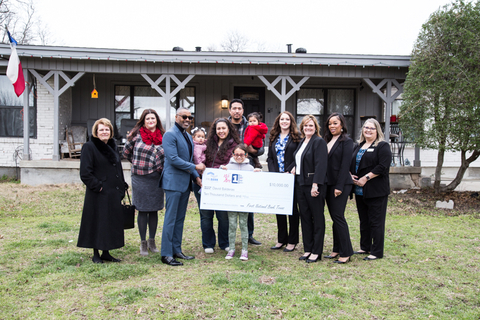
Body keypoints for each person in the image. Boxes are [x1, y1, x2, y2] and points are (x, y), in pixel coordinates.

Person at [160, 107, 205, 266]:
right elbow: (173, 159)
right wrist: (196, 168)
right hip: (173, 183)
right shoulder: (170, 134)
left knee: (180, 219)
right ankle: (166, 254)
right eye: (184, 116)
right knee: (170, 219)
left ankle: (176, 250)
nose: (187, 119)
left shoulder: (186, 135)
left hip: (185, 183)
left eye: (190, 117)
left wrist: (195, 178)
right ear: (176, 117)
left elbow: (188, 160)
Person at [77, 118, 126, 264]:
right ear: (96, 132)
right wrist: (98, 186)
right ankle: (96, 253)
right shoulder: (89, 147)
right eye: (101, 130)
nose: (104, 132)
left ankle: (106, 252)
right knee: (98, 222)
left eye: (107, 129)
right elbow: (85, 173)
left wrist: (122, 185)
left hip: (113, 191)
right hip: (98, 193)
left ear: (110, 132)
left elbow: (118, 168)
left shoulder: (113, 146)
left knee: (110, 222)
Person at [122, 109, 165, 256]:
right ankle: (142, 243)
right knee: (142, 209)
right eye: (148, 119)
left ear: (157, 120)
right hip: (140, 178)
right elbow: (126, 153)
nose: (151, 121)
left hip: (156, 178)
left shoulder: (163, 136)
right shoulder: (136, 135)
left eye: (153, 118)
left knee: (153, 209)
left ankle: (152, 241)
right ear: (143, 121)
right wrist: (137, 163)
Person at [287, 115, 328, 263]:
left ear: (315, 127)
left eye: (311, 126)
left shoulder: (319, 142)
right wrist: (294, 168)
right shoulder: (303, 141)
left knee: (317, 218)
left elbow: (321, 165)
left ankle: (316, 251)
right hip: (300, 184)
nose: (308, 128)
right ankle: (308, 249)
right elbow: (300, 159)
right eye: (305, 126)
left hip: (313, 186)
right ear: (302, 127)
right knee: (304, 217)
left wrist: (316, 184)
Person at [350, 118, 392, 261]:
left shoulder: (382, 146)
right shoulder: (358, 146)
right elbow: (351, 164)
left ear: (377, 130)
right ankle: (365, 247)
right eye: (366, 127)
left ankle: (376, 251)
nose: (368, 130)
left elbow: (383, 166)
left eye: (371, 128)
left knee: (376, 221)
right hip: (360, 191)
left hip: (376, 190)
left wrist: (366, 178)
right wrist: (350, 175)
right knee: (364, 220)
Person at [201, 118, 240, 253]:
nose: (221, 131)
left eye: (224, 128)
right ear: (215, 130)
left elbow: (236, 162)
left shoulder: (234, 145)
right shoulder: (208, 143)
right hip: (206, 184)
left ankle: (224, 242)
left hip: (224, 185)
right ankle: (208, 244)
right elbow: (200, 159)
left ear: (229, 129)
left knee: (223, 216)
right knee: (206, 215)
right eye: (218, 129)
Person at [228, 98, 262, 246]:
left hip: (247, 165)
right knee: (230, 202)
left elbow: (261, 146)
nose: (237, 111)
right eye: (234, 108)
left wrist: (254, 150)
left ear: (243, 111)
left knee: (248, 200)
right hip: (229, 166)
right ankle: (228, 236)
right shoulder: (224, 125)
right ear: (230, 110)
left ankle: (249, 235)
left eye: (239, 108)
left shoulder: (251, 125)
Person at [267, 111, 301, 252]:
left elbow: (299, 156)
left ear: (291, 121)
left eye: (287, 119)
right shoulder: (273, 137)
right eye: (282, 119)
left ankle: (292, 241)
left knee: (292, 210)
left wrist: (290, 169)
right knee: (279, 209)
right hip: (277, 178)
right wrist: (274, 173)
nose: (284, 121)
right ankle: (281, 239)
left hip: (291, 177)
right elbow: (270, 158)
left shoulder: (296, 137)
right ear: (278, 121)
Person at [221, 144, 262, 261]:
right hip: (232, 202)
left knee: (244, 225)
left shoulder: (250, 168)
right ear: (233, 155)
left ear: (246, 155)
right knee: (232, 225)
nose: (239, 157)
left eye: (241, 154)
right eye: (236, 154)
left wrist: (257, 173)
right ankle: (232, 249)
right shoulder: (228, 167)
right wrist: (221, 171)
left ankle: (244, 250)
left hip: (244, 202)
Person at [323, 113, 354, 264]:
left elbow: (345, 165)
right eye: (330, 123)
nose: (332, 126)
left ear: (342, 124)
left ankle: (346, 252)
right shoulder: (327, 140)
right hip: (328, 183)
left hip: (340, 185)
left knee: (338, 217)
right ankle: (336, 249)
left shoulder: (347, 141)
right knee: (334, 218)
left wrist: (339, 186)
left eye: (335, 123)